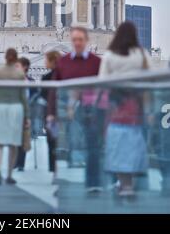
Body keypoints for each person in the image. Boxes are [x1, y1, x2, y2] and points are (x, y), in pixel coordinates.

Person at [47, 27, 105, 193]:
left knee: (92, 146)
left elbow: (103, 88)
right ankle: (61, 184)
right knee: (64, 147)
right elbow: (53, 89)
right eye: (75, 40)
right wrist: (51, 113)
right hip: (67, 111)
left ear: (87, 41)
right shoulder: (63, 62)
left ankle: (93, 182)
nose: (77, 43)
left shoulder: (97, 62)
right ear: (71, 41)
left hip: (91, 111)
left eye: (80, 39)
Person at [99, 21, 150, 197]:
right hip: (136, 106)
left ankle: (124, 183)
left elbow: (102, 81)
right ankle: (131, 182)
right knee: (135, 143)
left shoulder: (110, 55)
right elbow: (150, 79)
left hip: (117, 106)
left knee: (117, 144)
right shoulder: (142, 54)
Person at [0, 48, 30, 186]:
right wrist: (27, 115)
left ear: (5, 57)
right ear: (15, 58)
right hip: (15, 108)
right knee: (13, 144)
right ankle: (9, 174)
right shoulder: (20, 74)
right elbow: (23, 97)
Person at [41, 51, 61, 180]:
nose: (44, 62)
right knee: (57, 143)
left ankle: (55, 171)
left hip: (51, 115)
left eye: (46, 60)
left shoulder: (46, 77)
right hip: (58, 114)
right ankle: (57, 171)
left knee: (52, 143)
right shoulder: (63, 75)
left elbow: (43, 96)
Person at [14, 57, 32, 172]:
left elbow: (34, 96)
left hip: (26, 112)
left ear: (25, 67)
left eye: (18, 66)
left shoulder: (30, 81)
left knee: (24, 138)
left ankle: (21, 163)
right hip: (15, 110)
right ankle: (15, 162)